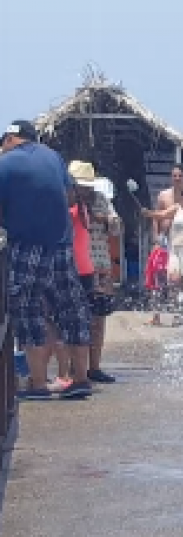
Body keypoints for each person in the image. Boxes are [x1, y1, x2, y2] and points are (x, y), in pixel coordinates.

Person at [0, 120, 92, 400]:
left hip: (27, 246)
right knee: (71, 309)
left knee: (27, 311)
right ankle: (80, 379)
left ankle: (38, 384)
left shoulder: (5, 163)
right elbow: (67, 195)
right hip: (61, 245)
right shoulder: (53, 157)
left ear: (13, 138)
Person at [69, 161, 119, 383]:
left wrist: (105, 219)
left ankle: (94, 366)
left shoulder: (101, 200)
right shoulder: (67, 201)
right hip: (73, 264)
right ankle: (74, 368)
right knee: (73, 317)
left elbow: (117, 227)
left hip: (99, 264)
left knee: (98, 317)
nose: (84, 190)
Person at [141, 181, 183, 326]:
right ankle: (175, 312)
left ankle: (181, 316)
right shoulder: (177, 209)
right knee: (175, 284)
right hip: (177, 252)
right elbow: (161, 215)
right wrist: (149, 213)